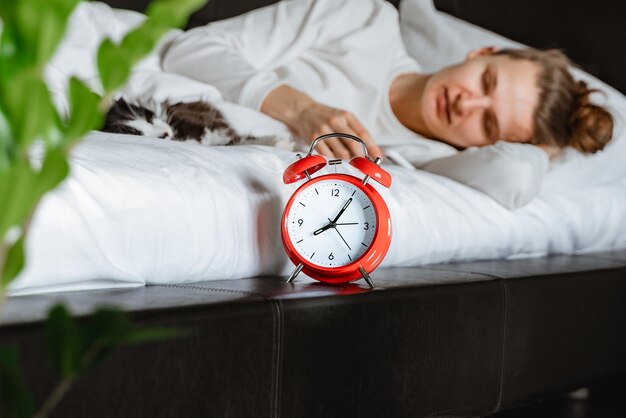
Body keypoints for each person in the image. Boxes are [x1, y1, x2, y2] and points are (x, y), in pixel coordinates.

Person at [161, 0, 614, 207]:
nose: (466, 102)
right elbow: (191, 49)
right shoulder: (364, 19)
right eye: (486, 81)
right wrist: (300, 109)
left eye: (490, 124)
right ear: (481, 53)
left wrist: (546, 148)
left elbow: (513, 175)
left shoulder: (428, 162)